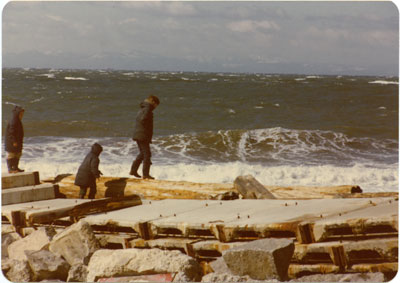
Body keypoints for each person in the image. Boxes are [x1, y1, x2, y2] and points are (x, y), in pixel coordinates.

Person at [130, 95, 160, 179]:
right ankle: (145, 174)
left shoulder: (143, 108)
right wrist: (146, 130)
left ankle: (133, 170)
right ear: (153, 102)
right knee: (147, 154)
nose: (155, 107)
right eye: (156, 105)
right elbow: (144, 119)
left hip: (139, 134)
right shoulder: (147, 109)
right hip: (142, 135)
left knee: (142, 153)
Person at [5, 106, 25, 173]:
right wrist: (14, 141)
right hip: (11, 142)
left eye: (22, 114)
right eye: (21, 114)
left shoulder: (18, 121)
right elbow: (11, 133)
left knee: (18, 154)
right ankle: (10, 168)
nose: (22, 116)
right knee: (11, 154)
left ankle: (15, 167)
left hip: (17, 141)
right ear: (17, 114)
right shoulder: (13, 121)